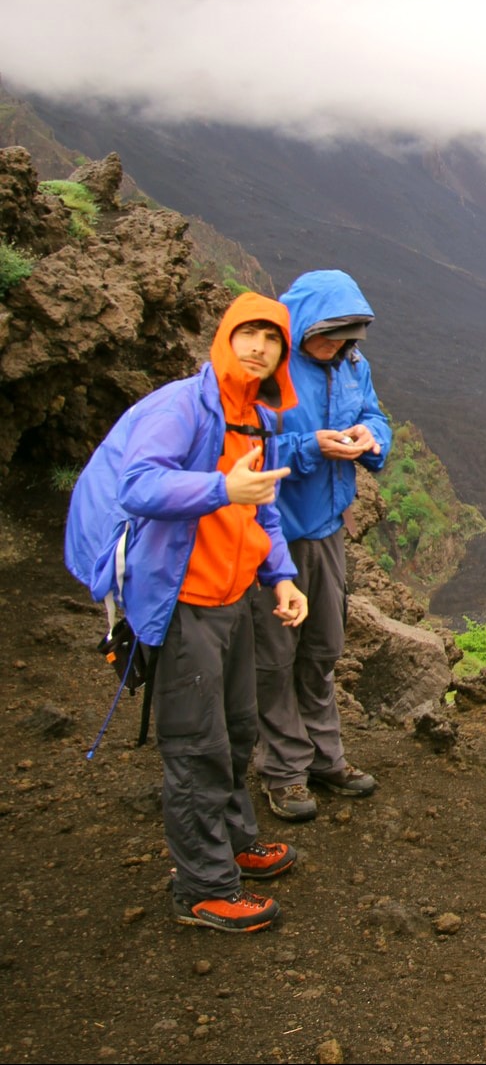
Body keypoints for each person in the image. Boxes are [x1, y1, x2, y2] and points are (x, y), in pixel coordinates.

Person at [65, 293, 309, 930]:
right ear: (225, 336)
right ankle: (202, 887)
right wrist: (221, 487)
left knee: (237, 727)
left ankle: (232, 841)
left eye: (271, 339)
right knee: (196, 744)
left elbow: (262, 506)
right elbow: (138, 485)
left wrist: (280, 575)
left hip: (231, 598)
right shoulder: (182, 407)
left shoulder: (254, 416)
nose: (259, 347)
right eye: (248, 333)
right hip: (182, 603)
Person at [253, 269, 392, 822]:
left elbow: (374, 416)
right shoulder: (271, 368)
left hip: (328, 531)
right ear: (302, 324)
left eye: (345, 338)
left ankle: (324, 757)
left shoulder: (353, 367)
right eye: (327, 336)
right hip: (274, 536)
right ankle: (284, 771)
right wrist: (309, 447)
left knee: (323, 648)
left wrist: (370, 439)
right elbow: (244, 448)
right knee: (275, 656)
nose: (335, 347)